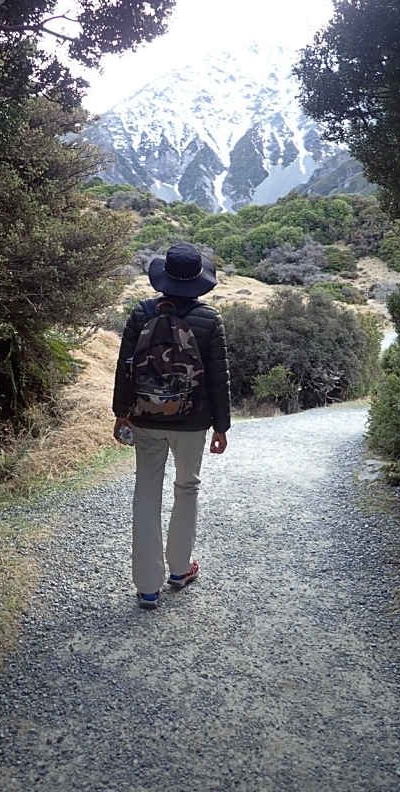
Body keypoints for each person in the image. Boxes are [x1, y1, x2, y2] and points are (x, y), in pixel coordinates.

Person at [113, 242, 231, 609]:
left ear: (162, 278)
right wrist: (221, 427)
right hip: (193, 422)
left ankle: (148, 587)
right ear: (199, 282)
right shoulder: (210, 320)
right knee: (187, 487)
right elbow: (218, 379)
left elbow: (124, 368)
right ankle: (180, 569)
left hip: (145, 418)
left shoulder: (140, 314)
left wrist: (121, 413)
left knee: (146, 496)